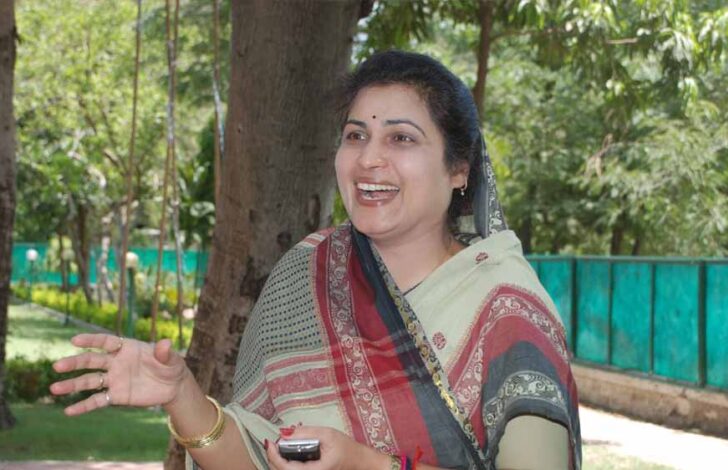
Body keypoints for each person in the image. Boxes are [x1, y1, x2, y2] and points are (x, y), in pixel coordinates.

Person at [51, 50, 581, 470]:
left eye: (401, 138)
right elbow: (259, 458)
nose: (369, 158)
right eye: (356, 135)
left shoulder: (506, 308)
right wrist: (181, 395)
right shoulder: (307, 273)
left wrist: (365, 464)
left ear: (459, 168)